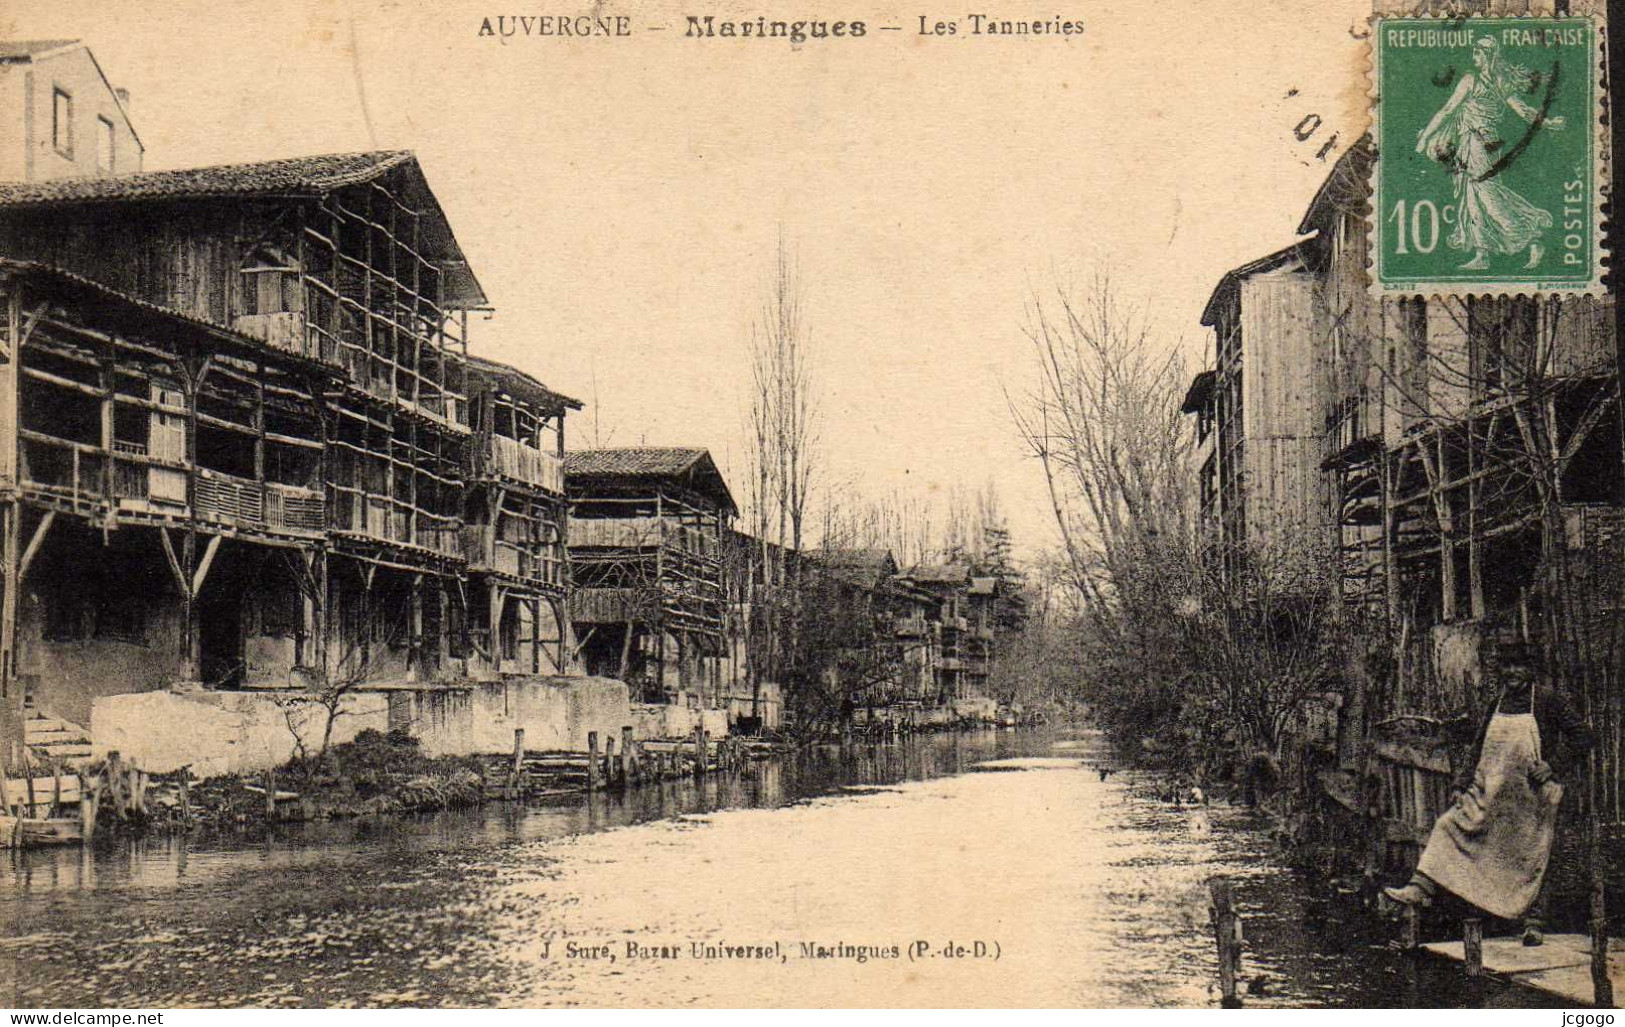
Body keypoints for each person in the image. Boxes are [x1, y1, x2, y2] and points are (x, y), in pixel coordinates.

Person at [1384, 645, 1595, 945]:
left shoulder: (1547, 701)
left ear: (1530, 669)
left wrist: (1553, 766)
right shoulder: (1497, 703)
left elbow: (1584, 736)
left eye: (1518, 666)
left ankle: (1533, 924)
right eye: (1506, 667)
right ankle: (1420, 888)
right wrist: (1460, 784)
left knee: (1534, 856)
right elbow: (1477, 747)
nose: (1512, 673)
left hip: (1532, 798)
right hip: (1495, 796)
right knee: (1448, 825)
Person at [1415, 37, 1565, 271]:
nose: (1473, 58)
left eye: (1477, 53)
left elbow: (1447, 110)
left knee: (1488, 197)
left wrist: (1425, 136)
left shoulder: (1471, 80)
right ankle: (1482, 254)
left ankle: (1532, 237)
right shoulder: (1500, 81)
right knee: (1473, 197)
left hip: (1477, 143)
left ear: (1487, 55)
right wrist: (1548, 122)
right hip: (1483, 144)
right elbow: (1525, 112)